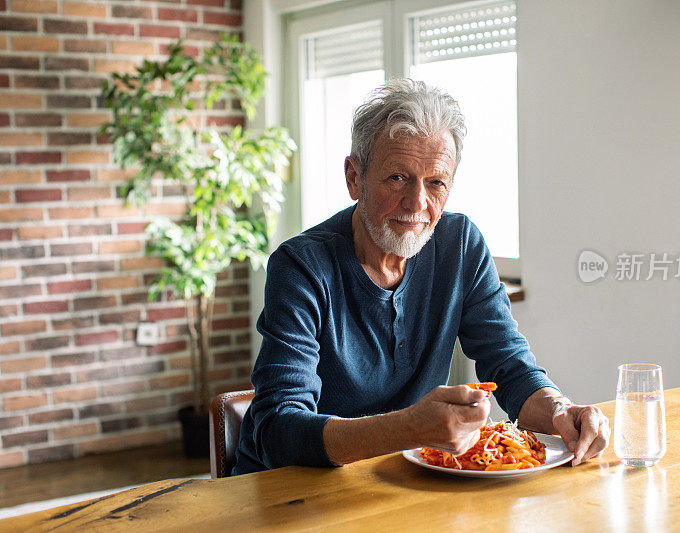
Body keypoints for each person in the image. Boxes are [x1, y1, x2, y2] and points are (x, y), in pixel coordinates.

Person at [232, 79, 609, 474]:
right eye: (397, 177)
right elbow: (278, 432)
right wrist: (410, 428)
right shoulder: (301, 266)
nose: (417, 204)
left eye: (435, 183)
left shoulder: (460, 244)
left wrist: (561, 410)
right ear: (353, 177)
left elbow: (510, 367)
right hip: (294, 492)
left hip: (399, 483)